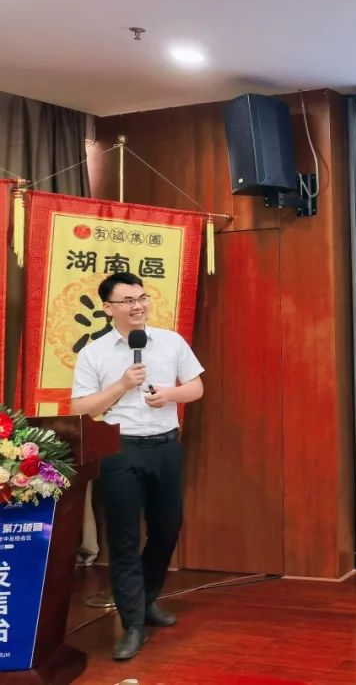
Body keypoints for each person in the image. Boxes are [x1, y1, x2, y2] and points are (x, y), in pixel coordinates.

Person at [70, 272, 204, 661]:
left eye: (142, 297)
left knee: (167, 528)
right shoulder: (94, 353)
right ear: (108, 308)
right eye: (127, 300)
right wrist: (121, 385)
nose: (138, 306)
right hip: (120, 451)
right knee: (125, 538)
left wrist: (170, 394)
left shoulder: (171, 341)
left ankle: (145, 600)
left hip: (165, 447)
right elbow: (80, 407)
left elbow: (196, 387)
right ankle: (132, 625)